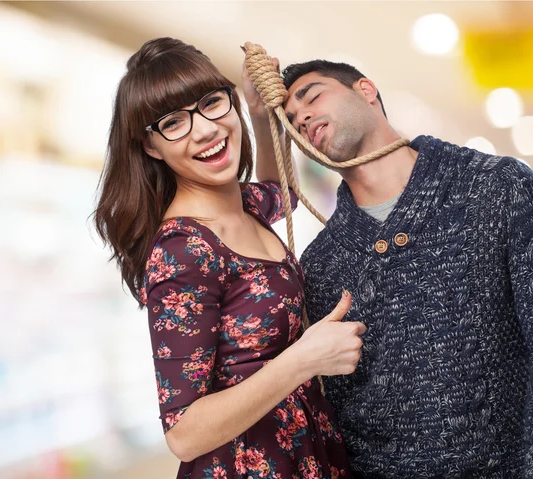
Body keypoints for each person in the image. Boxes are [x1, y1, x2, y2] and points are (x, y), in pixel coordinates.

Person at [278, 59, 533, 478]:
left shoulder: (497, 187)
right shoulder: (322, 263)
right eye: (290, 120)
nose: (301, 117)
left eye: (312, 96)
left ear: (366, 90)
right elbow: (343, 417)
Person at [93, 38, 366, 479]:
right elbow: (184, 433)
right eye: (173, 123)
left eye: (211, 103)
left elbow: (286, 193)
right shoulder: (183, 252)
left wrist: (261, 115)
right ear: (150, 146)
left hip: (305, 452)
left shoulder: (244, 205)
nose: (205, 129)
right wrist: (304, 360)